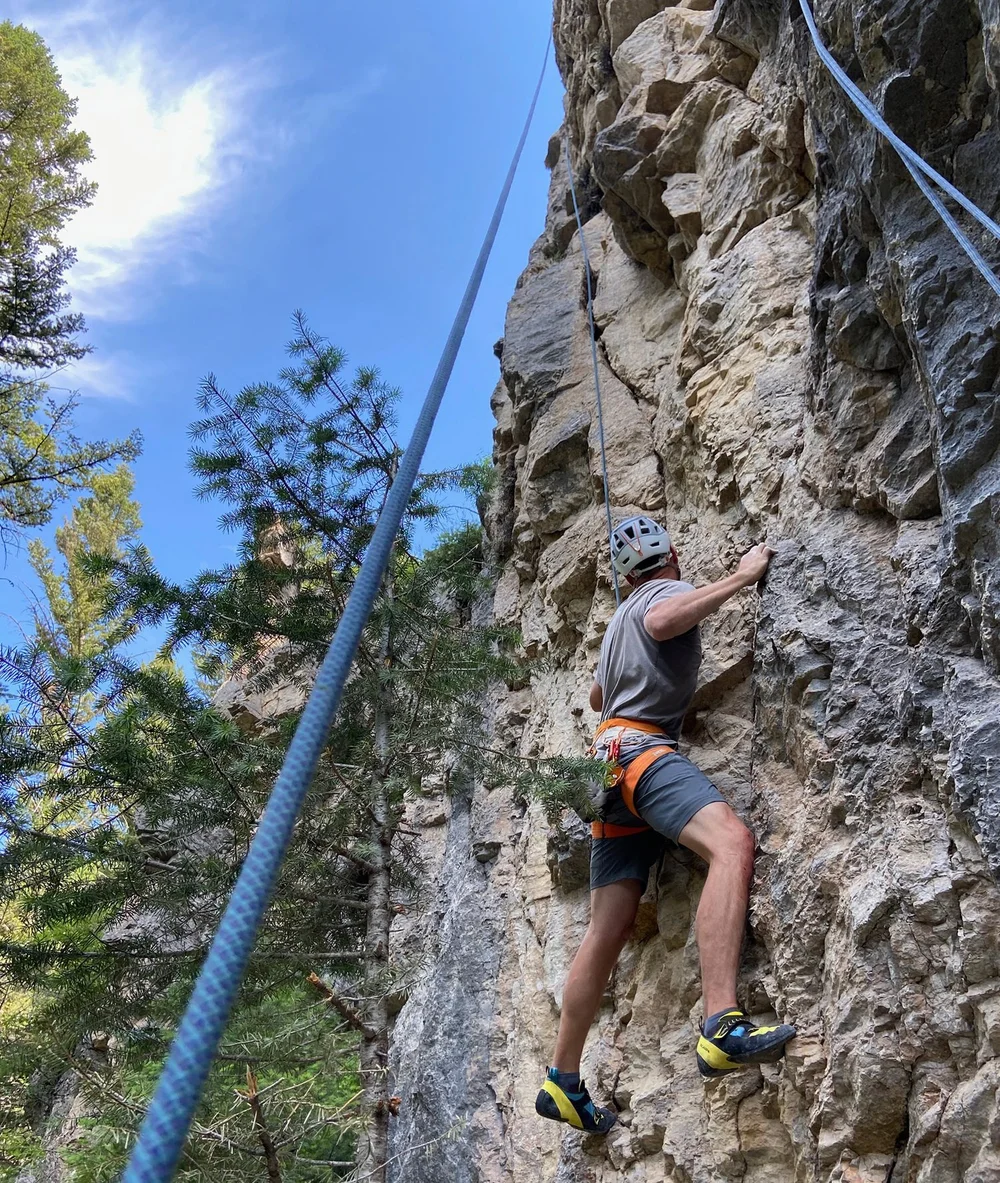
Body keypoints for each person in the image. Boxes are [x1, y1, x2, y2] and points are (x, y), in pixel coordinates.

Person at [535, 516, 796, 1135]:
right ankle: (721, 1023)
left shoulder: (616, 622)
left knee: (608, 925)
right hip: (642, 754)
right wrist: (740, 577)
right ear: (671, 555)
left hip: (604, 767)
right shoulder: (658, 597)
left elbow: (599, 697)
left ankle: (561, 1078)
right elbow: (664, 620)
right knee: (730, 842)